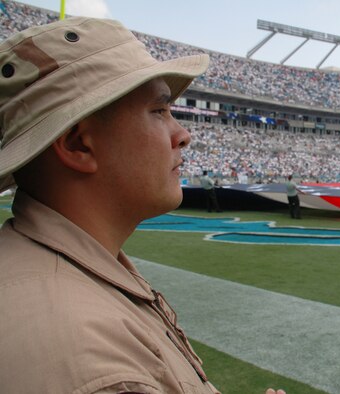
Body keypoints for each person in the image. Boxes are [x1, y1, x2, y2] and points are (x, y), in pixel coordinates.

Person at [0, 17, 284, 394]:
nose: (183, 135)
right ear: (77, 145)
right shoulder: (90, 360)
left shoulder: (57, 272)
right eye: (159, 111)